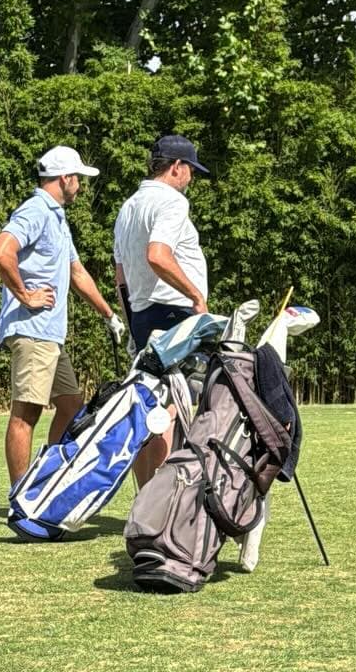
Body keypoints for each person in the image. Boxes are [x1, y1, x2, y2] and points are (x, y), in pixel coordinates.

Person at [0, 144, 127, 485]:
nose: (80, 185)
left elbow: (77, 273)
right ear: (64, 178)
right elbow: (0, 252)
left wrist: (110, 315)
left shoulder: (57, 217)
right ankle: (22, 498)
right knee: (26, 414)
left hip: (49, 334)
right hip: (33, 329)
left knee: (71, 405)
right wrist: (25, 295)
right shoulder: (35, 210)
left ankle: (48, 479)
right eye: (77, 178)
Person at [112, 132, 211, 482]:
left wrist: (130, 323)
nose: (192, 178)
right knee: (169, 410)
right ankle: (162, 504)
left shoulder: (128, 207)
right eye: (191, 170)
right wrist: (196, 296)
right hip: (174, 313)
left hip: (142, 316)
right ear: (177, 167)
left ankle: (145, 500)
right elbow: (158, 255)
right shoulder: (172, 202)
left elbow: (120, 278)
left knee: (147, 408)